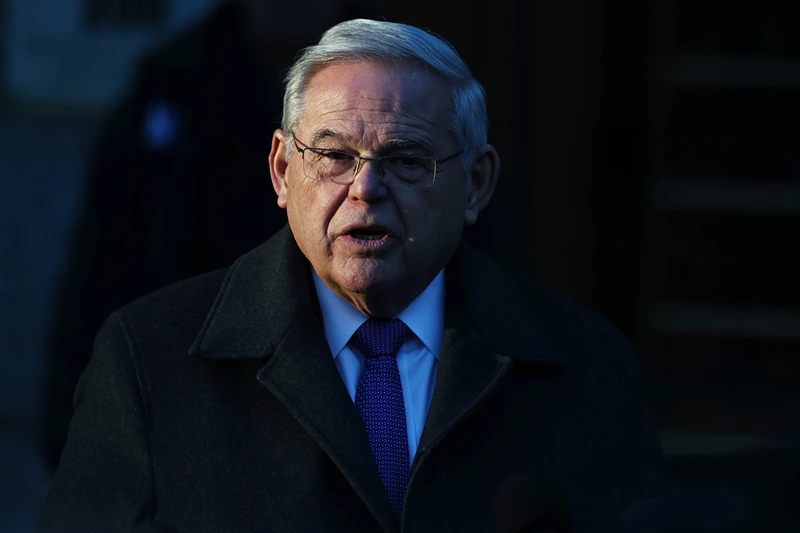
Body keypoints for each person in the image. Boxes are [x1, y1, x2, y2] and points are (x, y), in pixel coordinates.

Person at [38, 18, 674, 532]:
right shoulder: (149, 360)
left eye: (405, 159)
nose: (365, 188)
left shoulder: (586, 367)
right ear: (283, 172)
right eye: (335, 156)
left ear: (475, 183)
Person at [39, 0, 384, 473]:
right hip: (189, 433)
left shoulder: (414, 103)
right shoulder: (169, 101)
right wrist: (75, 434)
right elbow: (98, 278)